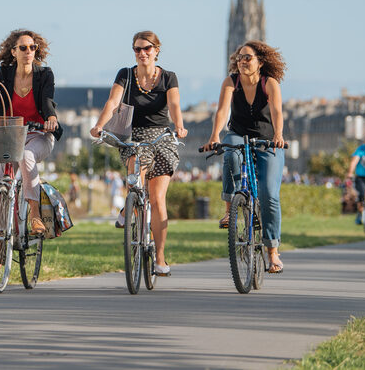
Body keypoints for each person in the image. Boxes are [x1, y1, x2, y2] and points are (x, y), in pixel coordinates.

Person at [91, 30, 187, 277]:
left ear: (156, 50)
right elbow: (112, 103)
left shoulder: (168, 77)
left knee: (157, 199)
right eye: (137, 49)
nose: (142, 53)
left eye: (147, 48)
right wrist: (100, 125)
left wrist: (179, 125)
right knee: (136, 180)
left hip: (162, 137)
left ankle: (160, 258)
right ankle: (130, 207)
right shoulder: (125, 75)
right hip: (134, 136)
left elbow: (174, 104)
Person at [0, 29, 62, 238]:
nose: (28, 51)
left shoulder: (44, 74)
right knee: (0, 180)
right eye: (23, 48)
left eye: (32, 47)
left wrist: (51, 118)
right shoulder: (4, 74)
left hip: (39, 133)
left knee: (26, 156)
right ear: (13, 52)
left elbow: (47, 100)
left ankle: (35, 214)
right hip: (10, 136)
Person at [202, 40, 286, 274]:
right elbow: (222, 111)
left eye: (247, 57)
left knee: (269, 194)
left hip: (267, 139)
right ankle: (230, 210)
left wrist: (278, 135)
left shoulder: (269, 83)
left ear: (260, 62)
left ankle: (273, 252)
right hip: (238, 134)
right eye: (239, 57)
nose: (242, 61)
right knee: (229, 153)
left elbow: (278, 111)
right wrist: (215, 135)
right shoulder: (231, 82)